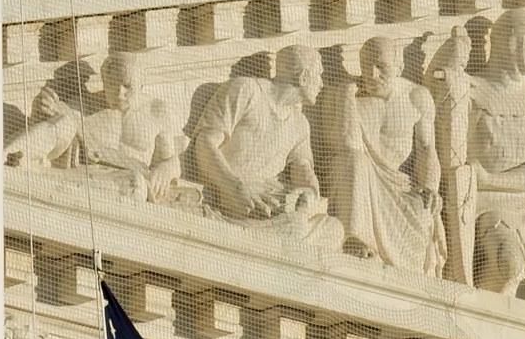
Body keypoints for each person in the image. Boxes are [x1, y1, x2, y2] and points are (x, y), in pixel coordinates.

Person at [428, 11, 525, 304]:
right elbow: (439, 118)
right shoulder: (471, 89)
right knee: (507, 265)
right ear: (513, 41)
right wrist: (451, 66)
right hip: (486, 205)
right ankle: (485, 311)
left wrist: (493, 179)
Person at [194, 45, 341, 250]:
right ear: (304, 77)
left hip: (273, 207)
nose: (322, 84)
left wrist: (309, 193)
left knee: (333, 229)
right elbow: (204, 143)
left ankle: (249, 237)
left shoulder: (300, 124)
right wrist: (235, 187)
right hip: (233, 197)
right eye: (319, 76)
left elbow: (302, 169)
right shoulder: (245, 90)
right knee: (296, 229)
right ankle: (239, 233)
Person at [327, 36, 443, 274]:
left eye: (381, 66)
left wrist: (430, 186)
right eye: (366, 64)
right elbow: (347, 144)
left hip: (399, 186)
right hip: (359, 181)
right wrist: (347, 97)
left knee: (423, 211)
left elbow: (426, 149)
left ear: (399, 67)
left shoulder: (416, 97)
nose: (372, 73)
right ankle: (355, 237)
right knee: (356, 161)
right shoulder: (348, 96)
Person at [82, 53, 189, 204]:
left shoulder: (155, 110)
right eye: (112, 84)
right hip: (96, 182)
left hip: (135, 187)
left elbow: (172, 161)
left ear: (140, 84)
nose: (120, 94)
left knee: (137, 186)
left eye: (127, 86)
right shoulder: (85, 104)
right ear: (104, 81)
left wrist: (164, 170)